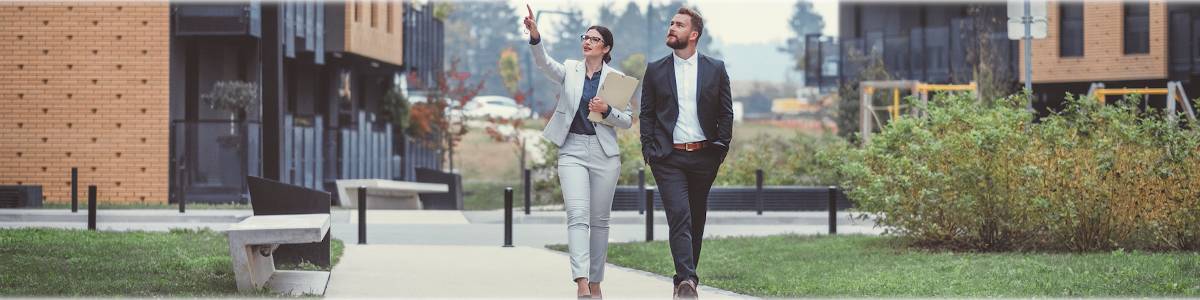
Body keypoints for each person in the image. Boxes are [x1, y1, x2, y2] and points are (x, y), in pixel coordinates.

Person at [523, 4, 633, 299]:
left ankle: (597, 282)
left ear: (606, 47)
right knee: (577, 215)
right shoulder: (570, 69)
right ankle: (582, 282)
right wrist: (536, 37)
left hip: (604, 154)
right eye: (584, 37)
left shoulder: (616, 79)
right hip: (571, 149)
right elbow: (544, 63)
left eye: (594, 39)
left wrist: (606, 109)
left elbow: (627, 120)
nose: (587, 41)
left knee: (599, 221)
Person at [638, 6, 732, 299]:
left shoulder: (715, 68)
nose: (671, 27)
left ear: (693, 35)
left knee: (696, 218)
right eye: (671, 23)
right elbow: (647, 114)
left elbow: (725, 113)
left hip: (705, 156)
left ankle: (685, 279)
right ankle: (687, 282)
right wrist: (649, 150)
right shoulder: (655, 69)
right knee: (679, 215)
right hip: (668, 157)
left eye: (678, 24)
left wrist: (720, 148)